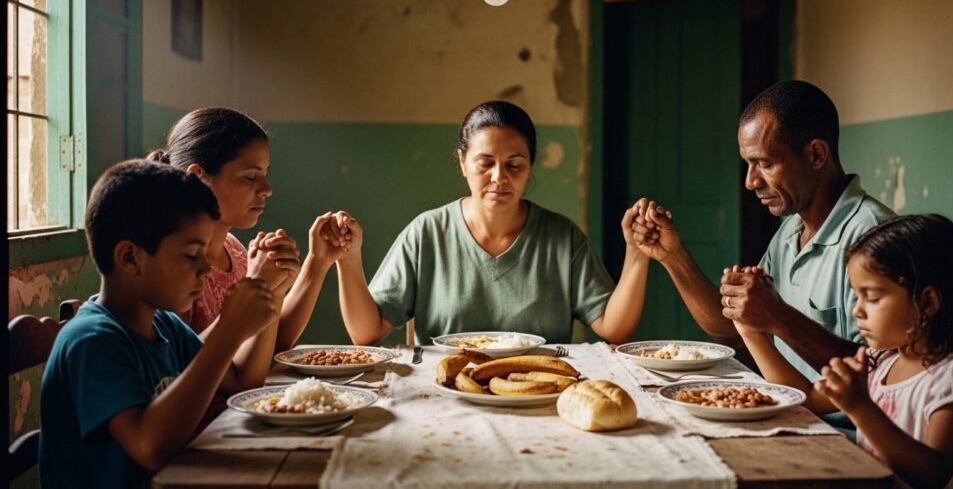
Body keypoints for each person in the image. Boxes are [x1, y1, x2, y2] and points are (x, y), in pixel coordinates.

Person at [632, 80, 895, 382]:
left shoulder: (876, 238)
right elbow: (732, 330)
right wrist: (672, 255)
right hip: (791, 404)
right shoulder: (791, 230)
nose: (750, 181)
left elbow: (885, 375)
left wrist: (779, 316)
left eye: (764, 164)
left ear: (816, 155)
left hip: (835, 415)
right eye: (748, 164)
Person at [39, 160, 280, 488]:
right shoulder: (91, 341)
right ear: (130, 257)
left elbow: (239, 385)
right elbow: (150, 448)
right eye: (191, 255)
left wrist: (268, 294)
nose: (205, 269)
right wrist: (228, 331)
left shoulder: (165, 325)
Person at [334, 101, 651, 345]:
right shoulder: (426, 233)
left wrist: (637, 253)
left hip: (540, 393)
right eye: (485, 163)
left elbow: (614, 329)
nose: (499, 177)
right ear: (462, 162)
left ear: (530, 166)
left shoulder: (562, 237)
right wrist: (348, 258)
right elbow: (367, 332)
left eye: (515, 165)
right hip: (442, 394)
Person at [734, 214, 953, 488]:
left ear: (927, 301)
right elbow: (806, 398)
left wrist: (860, 407)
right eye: (857, 296)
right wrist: (751, 331)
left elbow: (931, 475)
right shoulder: (881, 361)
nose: (857, 311)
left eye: (871, 298)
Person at [149, 107, 347, 351]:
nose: (267, 189)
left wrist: (318, 261)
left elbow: (268, 345)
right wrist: (254, 287)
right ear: (199, 178)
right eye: (250, 177)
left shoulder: (234, 251)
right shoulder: (173, 264)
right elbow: (178, 364)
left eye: (265, 174)